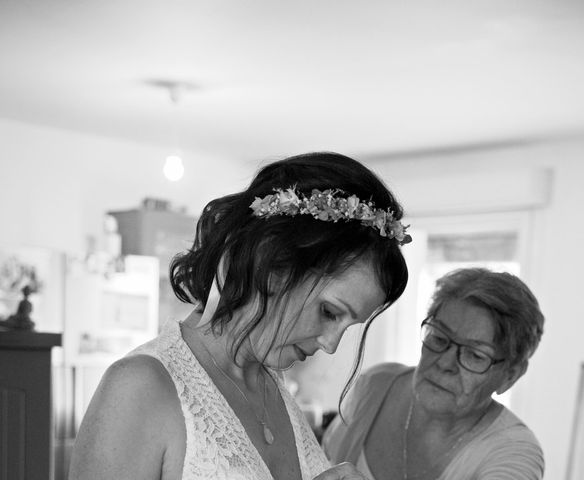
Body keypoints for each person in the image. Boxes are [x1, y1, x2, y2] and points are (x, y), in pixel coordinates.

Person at [68, 152, 411, 480]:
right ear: (272, 263)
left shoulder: (272, 390)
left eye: (349, 326)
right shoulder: (139, 387)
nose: (332, 344)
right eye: (329, 312)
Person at [323, 268, 545, 480]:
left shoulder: (515, 451)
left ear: (510, 376)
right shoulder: (375, 384)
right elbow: (321, 461)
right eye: (439, 338)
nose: (444, 363)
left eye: (475, 355)